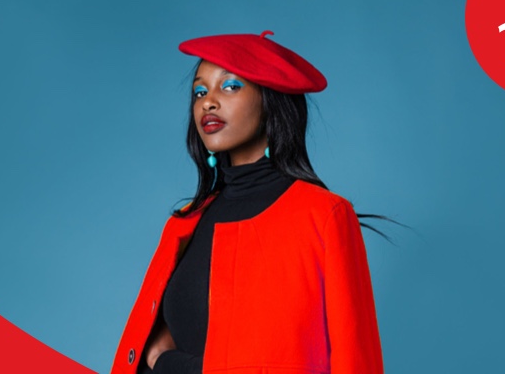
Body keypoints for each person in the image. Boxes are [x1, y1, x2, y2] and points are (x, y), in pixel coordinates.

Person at [111, 31, 384, 374]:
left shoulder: (324, 216)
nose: (208, 102)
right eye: (199, 91)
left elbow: (356, 362)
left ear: (271, 102)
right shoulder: (184, 223)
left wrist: (165, 361)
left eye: (230, 86)